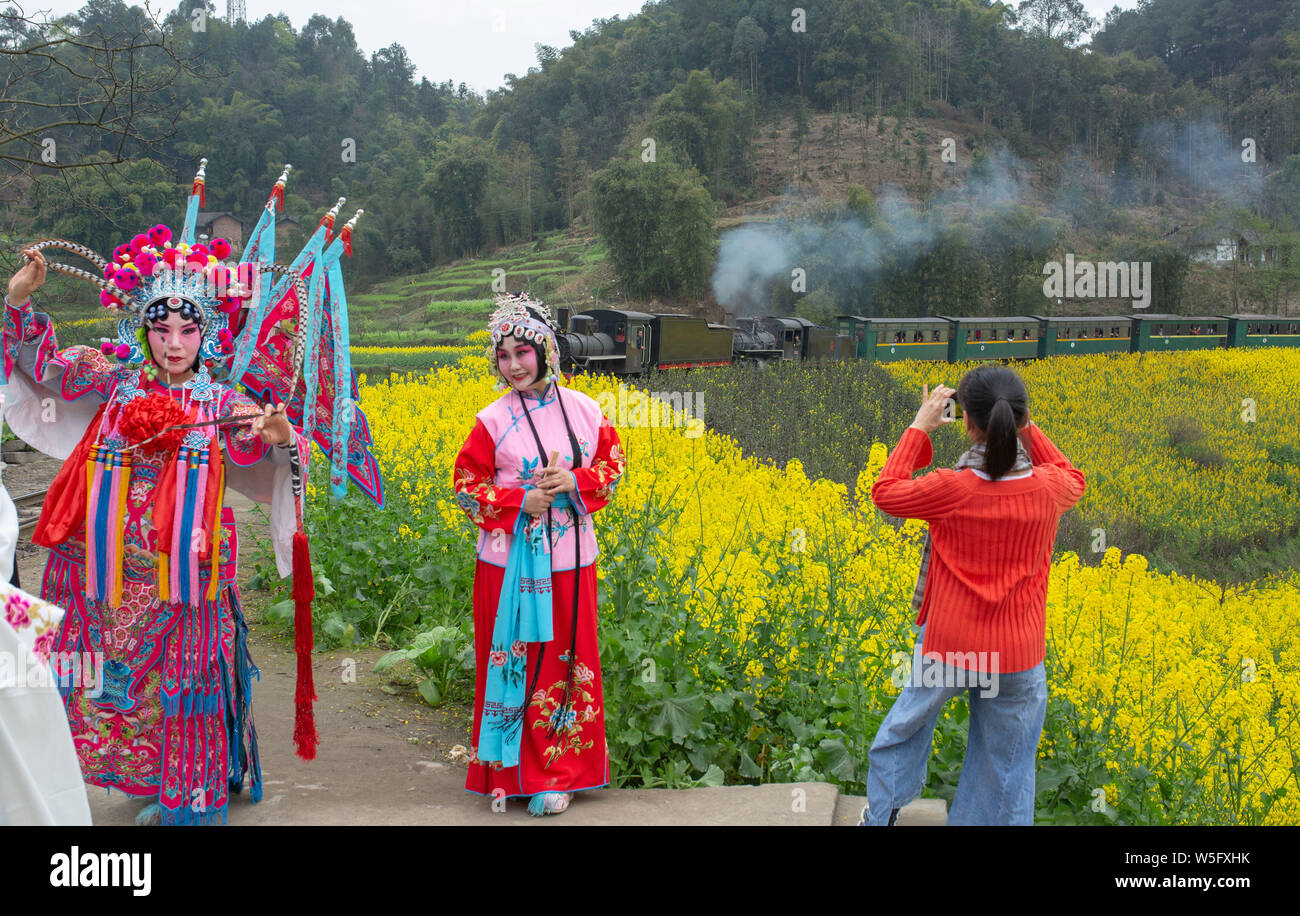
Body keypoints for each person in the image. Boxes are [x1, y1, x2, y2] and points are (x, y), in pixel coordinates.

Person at [862, 366, 1085, 825]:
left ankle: (880, 817)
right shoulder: (1050, 490)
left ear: (966, 421)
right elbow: (1071, 473)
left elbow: (885, 492)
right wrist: (1024, 424)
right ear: (1019, 418)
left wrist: (919, 427)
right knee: (1006, 765)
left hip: (950, 644)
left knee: (905, 732)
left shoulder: (951, 488)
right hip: (1018, 654)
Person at [452, 293, 625, 816]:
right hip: (506, 568)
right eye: (502, 356)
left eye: (521, 352)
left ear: (546, 350)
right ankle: (508, 775)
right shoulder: (490, 420)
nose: (513, 365)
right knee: (513, 664)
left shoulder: (585, 410)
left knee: (566, 664)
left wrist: (574, 479)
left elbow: (613, 468)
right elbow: (464, 486)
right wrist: (516, 500)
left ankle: (560, 774)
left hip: (571, 560)